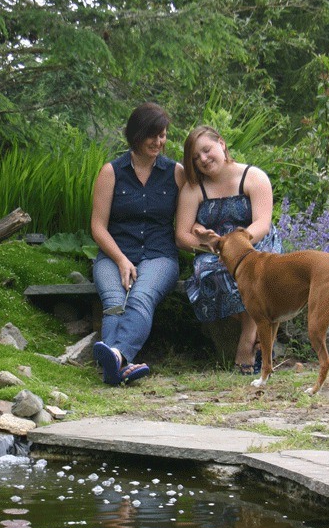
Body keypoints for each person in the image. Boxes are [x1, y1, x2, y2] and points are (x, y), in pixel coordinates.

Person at [90, 103, 185, 385]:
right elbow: (98, 226)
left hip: (159, 256)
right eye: (152, 135)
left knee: (142, 296)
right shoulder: (111, 172)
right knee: (115, 302)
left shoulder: (175, 172)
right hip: (113, 254)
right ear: (136, 135)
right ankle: (120, 366)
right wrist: (120, 259)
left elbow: (186, 219)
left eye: (163, 135)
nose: (159, 142)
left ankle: (116, 356)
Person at [175, 125, 281, 373]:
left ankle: (246, 343)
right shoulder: (193, 189)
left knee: (253, 273)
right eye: (195, 157)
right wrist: (207, 241)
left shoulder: (253, 177)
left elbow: (263, 224)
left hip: (255, 244)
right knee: (211, 275)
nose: (202, 159)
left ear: (221, 144)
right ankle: (257, 328)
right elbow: (181, 235)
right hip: (214, 252)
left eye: (206, 150)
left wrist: (234, 247)